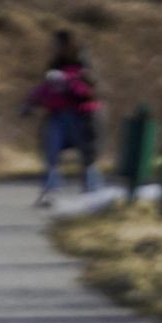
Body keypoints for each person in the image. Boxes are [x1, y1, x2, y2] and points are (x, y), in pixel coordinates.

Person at [21, 29, 104, 206]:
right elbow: (45, 88)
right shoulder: (54, 66)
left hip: (81, 116)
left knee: (87, 155)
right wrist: (30, 102)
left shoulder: (83, 65)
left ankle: (92, 191)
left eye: (57, 44)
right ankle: (50, 191)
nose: (54, 47)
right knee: (51, 153)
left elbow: (89, 89)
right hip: (57, 115)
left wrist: (67, 81)